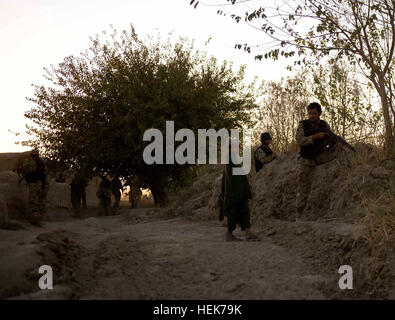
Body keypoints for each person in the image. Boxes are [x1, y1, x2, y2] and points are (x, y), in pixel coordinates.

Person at [295, 102, 336, 220]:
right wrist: (315, 137)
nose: (311, 115)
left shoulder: (324, 125)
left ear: (319, 114)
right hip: (306, 159)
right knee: (303, 187)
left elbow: (331, 140)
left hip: (321, 157)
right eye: (310, 113)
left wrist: (329, 140)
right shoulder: (303, 125)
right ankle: (299, 215)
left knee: (339, 151)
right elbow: (300, 141)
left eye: (314, 113)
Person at [220, 141, 261, 241]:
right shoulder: (232, 160)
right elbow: (239, 178)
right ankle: (247, 234)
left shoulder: (229, 160)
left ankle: (234, 234)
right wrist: (245, 191)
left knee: (234, 213)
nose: (237, 149)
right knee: (243, 211)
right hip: (237, 193)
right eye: (235, 147)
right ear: (230, 149)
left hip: (233, 192)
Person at [20, 149, 47, 226]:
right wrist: (43, 184)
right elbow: (44, 175)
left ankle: (34, 220)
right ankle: (38, 219)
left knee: (33, 201)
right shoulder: (42, 163)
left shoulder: (31, 162)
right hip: (39, 183)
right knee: (38, 201)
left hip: (33, 183)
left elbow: (26, 171)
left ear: (32, 155)